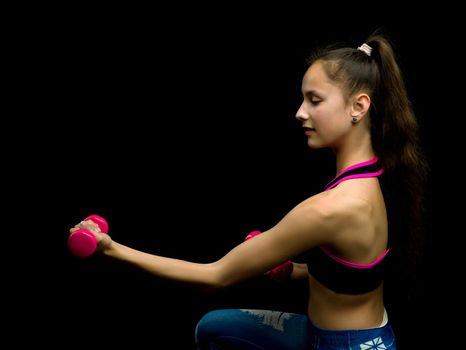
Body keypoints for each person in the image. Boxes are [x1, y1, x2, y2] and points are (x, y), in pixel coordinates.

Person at [69, 30, 427, 349]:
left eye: (314, 100)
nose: (300, 113)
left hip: (343, 345)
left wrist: (110, 249)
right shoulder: (372, 178)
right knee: (212, 328)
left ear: (358, 107)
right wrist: (293, 272)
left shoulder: (331, 208)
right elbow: (353, 273)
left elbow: (214, 277)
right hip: (367, 333)